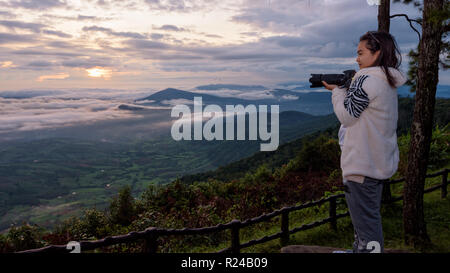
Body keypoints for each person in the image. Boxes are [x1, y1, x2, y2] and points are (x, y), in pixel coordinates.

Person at [322, 31, 407, 253]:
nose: (357, 59)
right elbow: (364, 109)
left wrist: (338, 92)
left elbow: (347, 116)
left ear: (376, 53)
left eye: (361, 53)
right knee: (364, 220)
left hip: (362, 163)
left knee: (368, 227)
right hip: (376, 161)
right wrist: (347, 89)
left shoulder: (366, 79)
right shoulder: (384, 80)